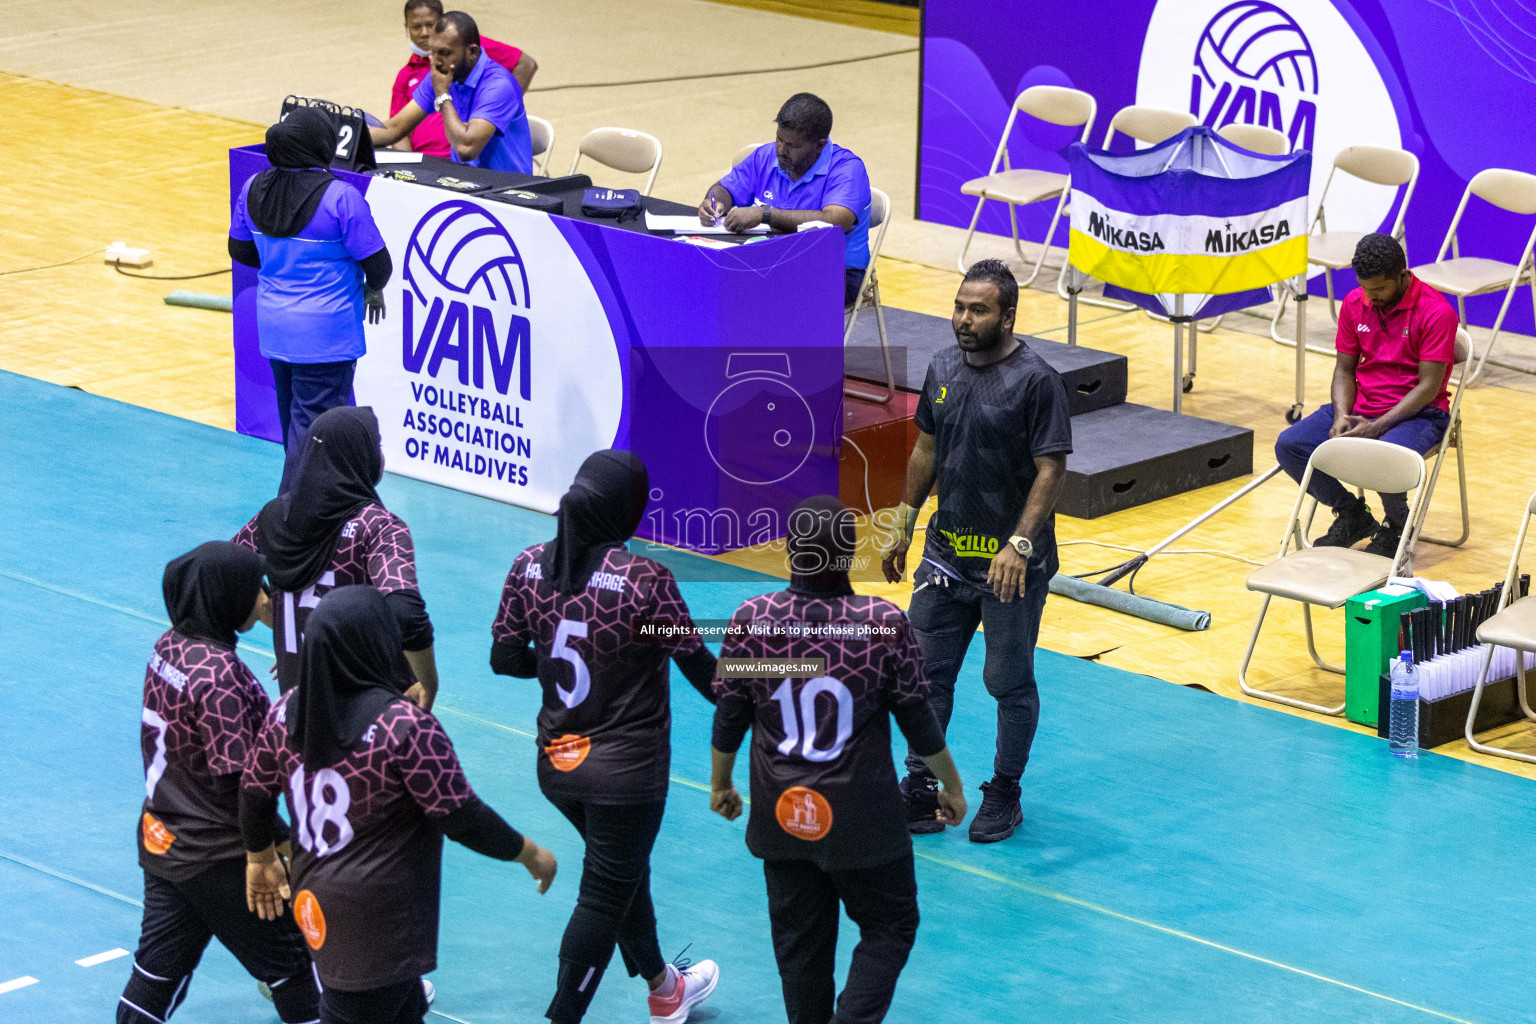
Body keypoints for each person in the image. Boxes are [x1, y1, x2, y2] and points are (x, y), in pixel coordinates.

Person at [240, 585, 558, 1024]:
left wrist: (259, 856)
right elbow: (460, 815)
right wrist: (530, 853)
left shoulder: (285, 711)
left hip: (314, 896)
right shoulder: (404, 728)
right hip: (379, 915)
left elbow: (254, 795)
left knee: (403, 1009)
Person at [710, 495, 966, 1024]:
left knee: (801, 950)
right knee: (891, 925)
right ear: (849, 556)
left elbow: (729, 714)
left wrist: (722, 784)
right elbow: (919, 720)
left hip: (781, 814)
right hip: (861, 820)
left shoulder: (751, 618)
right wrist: (952, 787)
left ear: (791, 554)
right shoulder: (880, 624)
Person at [491, 449, 721, 1024]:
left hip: (559, 767)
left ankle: (666, 988)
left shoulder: (528, 566)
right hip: (626, 775)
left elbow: (503, 658)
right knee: (603, 892)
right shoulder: (645, 582)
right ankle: (562, 1016)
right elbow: (704, 671)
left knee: (619, 873)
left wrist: (551, 661)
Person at [881, 259, 1071, 844]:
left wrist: (1020, 543)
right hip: (945, 557)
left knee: (1006, 681)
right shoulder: (941, 367)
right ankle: (920, 783)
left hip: (1010, 567)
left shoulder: (1037, 381)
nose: (963, 319)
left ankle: (1005, 792)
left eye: (978, 309)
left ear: (1008, 315)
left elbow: (1051, 467)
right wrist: (905, 519)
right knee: (923, 676)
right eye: (960, 307)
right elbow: (925, 450)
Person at [118, 542, 320, 1024]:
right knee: (296, 971)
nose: (266, 597)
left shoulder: (169, 646)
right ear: (226, 596)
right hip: (224, 855)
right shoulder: (221, 675)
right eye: (256, 589)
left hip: (166, 842)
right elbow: (242, 783)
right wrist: (271, 848)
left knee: (156, 975)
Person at [228, 106, 392, 492]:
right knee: (317, 435)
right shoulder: (341, 198)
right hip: (326, 336)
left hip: (274, 329)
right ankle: (291, 518)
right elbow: (379, 265)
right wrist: (370, 288)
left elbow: (241, 251)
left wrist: (280, 258)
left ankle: (296, 512)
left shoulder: (253, 187)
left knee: (295, 429)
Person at [233, 406, 438, 705]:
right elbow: (406, 613)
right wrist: (428, 681)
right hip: (371, 718)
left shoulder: (273, 518)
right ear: (359, 457)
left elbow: (225, 576)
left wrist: (287, 629)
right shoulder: (379, 528)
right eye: (375, 445)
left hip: (297, 717)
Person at [1275, 233, 1457, 555]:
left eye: (1379, 289)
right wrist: (1342, 414)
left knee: (1382, 458)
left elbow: (1429, 386)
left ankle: (1398, 525)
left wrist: (1378, 426)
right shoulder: (1355, 303)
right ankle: (1352, 513)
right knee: (1290, 445)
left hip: (1421, 412)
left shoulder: (1436, 312)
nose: (1371, 297)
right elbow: (1344, 370)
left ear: (1402, 276)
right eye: (1365, 288)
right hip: (1363, 407)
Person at [697, 93, 872, 309]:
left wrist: (764, 214)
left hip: (835, 272)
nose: (781, 149)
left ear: (819, 145)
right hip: (771, 259)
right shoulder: (765, 156)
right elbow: (724, 188)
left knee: (752, 292)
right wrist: (715, 201)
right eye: (779, 139)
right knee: (707, 274)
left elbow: (835, 220)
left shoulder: (847, 169)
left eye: (793, 145)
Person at [370, 10, 533, 174]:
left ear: (472, 52)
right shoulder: (444, 71)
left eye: (445, 53)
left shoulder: (499, 85)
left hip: (508, 190)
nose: (436, 62)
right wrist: (349, 134)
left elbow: (466, 149)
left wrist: (442, 96)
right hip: (463, 181)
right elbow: (394, 129)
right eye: (432, 52)